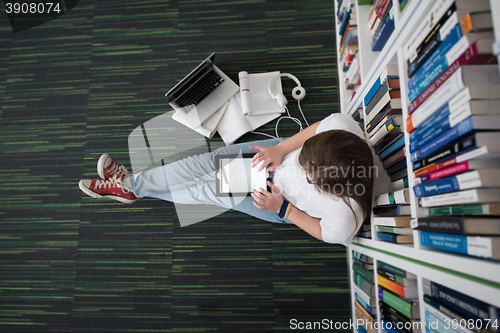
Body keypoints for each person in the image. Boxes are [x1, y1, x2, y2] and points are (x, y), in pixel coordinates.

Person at [78, 113, 375, 245]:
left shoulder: (346, 217)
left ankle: (130, 186)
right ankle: (131, 187)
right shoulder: (344, 128)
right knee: (202, 164)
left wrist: (284, 209)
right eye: (305, 159)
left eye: (307, 173)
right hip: (275, 155)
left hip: (278, 200)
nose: (302, 167)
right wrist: (283, 148)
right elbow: (318, 128)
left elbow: (323, 232)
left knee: (206, 190)